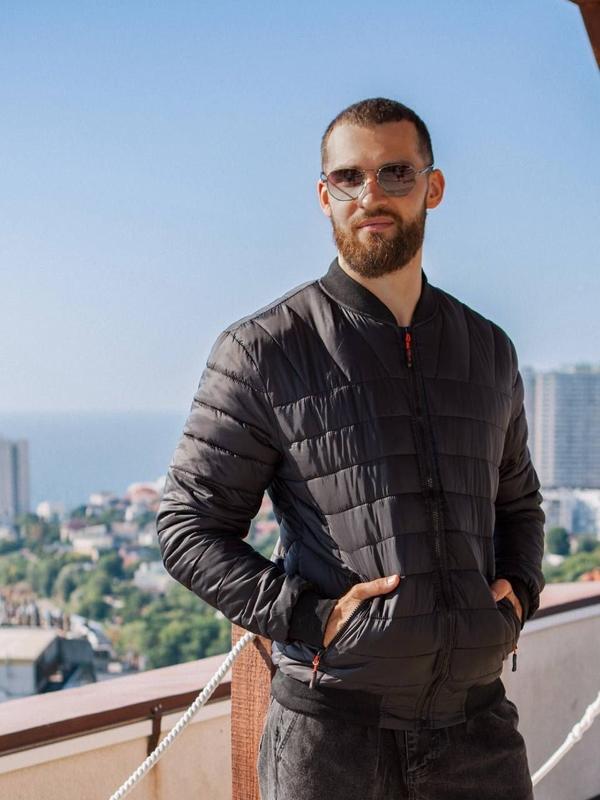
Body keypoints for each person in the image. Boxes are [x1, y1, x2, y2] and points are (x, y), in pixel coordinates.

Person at [156, 97, 545, 800]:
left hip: (477, 734)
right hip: (333, 743)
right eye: (349, 177)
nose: (371, 195)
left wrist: (516, 598)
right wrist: (314, 618)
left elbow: (519, 504)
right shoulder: (264, 350)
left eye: (395, 173)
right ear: (324, 195)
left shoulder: (488, 350)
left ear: (432, 186)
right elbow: (187, 529)